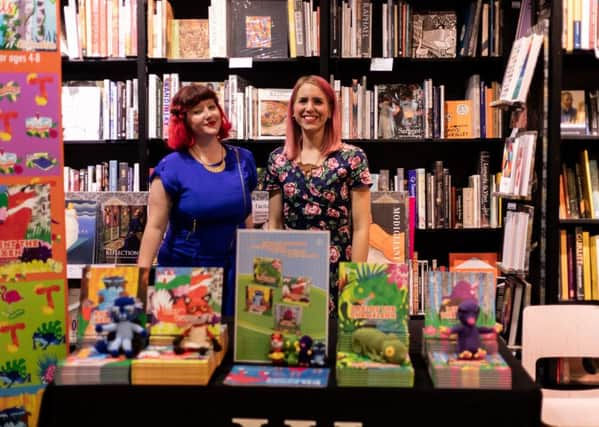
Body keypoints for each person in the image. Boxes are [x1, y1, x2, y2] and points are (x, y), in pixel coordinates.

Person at [138, 84, 258, 316]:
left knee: (230, 342)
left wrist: (250, 259)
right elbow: (154, 227)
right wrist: (140, 279)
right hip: (186, 268)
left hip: (234, 266)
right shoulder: (170, 167)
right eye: (198, 111)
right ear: (184, 120)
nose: (208, 115)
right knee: (188, 346)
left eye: (211, 107)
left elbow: (246, 216)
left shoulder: (243, 159)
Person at [263, 75, 372, 314]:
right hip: (292, 267)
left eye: (318, 102)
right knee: (295, 341)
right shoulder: (277, 160)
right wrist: (273, 275)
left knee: (334, 344)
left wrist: (355, 278)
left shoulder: (353, 157)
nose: (309, 108)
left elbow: (363, 225)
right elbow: (274, 224)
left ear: (331, 110)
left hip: (338, 267)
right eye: (302, 101)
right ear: (292, 110)